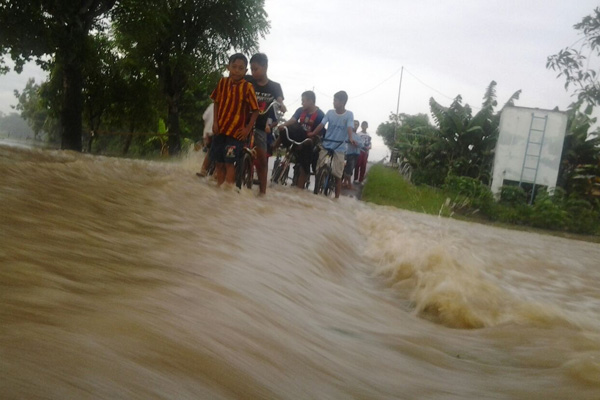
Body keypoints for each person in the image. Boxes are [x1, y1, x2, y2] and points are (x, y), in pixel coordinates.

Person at [209, 53, 259, 188]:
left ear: (245, 71)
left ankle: (228, 192)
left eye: (241, 68)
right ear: (228, 67)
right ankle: (220, 188)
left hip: (235, 134)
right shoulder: (222, 82)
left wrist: (247, 129)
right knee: (219, 162)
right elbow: (216, 102)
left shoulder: (248, 87)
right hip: (220, 130)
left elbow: (256, 110)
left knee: (229, 162)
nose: (237, 71)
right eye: (234, 67)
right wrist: (215, 122)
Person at [245, 53, 286, 195]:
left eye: (256, 69)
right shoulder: (248, 80)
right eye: (251, 69)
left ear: (265, 67)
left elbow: (279, 99)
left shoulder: (274, 86)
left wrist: (281, 105)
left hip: (260, 126)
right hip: (243, 123)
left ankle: (262, 192)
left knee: (262, 160)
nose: (253, 72)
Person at [307, 91, 356, 199]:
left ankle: (336, 198)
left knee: (338, 174)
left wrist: (351, 138)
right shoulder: (330, 113)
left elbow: (349, 127)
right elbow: (322, 124)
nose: (333, 102)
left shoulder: (349, 115)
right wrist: (313, 133)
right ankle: (317, 188)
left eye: (335, 100)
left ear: (342, 102)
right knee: (319, 168)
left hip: (340, 147)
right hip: (327, 143)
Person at [275, 90, 324, 189]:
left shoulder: (320, 114)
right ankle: (275, 146)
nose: (302, 103)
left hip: (309, 141)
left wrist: (312, 137)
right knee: (287, 128)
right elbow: (293, 120)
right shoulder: (300, 110)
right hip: (298, 137)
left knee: (304, 166)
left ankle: (299, 190)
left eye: (304, 101)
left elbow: (319, 131)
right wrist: (283, 125)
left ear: (311, 101)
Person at [196, 102, 214, 177]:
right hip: (216, 132)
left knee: (210, 151)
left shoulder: (211, 105)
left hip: (207, 132)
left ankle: (203, 170)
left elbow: (204, 118)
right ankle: (215, 174)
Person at [342, 120, 361, 190]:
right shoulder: (348, 134)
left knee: (351, 168)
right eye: (354, 124)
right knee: (349, 169)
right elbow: (346, 140)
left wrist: (357, 143)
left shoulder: (358, 136)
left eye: (357, 124)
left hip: (356, 153)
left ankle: (345, 182)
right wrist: (351, 141)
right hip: (349, 153)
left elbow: (361, 144)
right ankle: (349, 184)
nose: (355, 126)